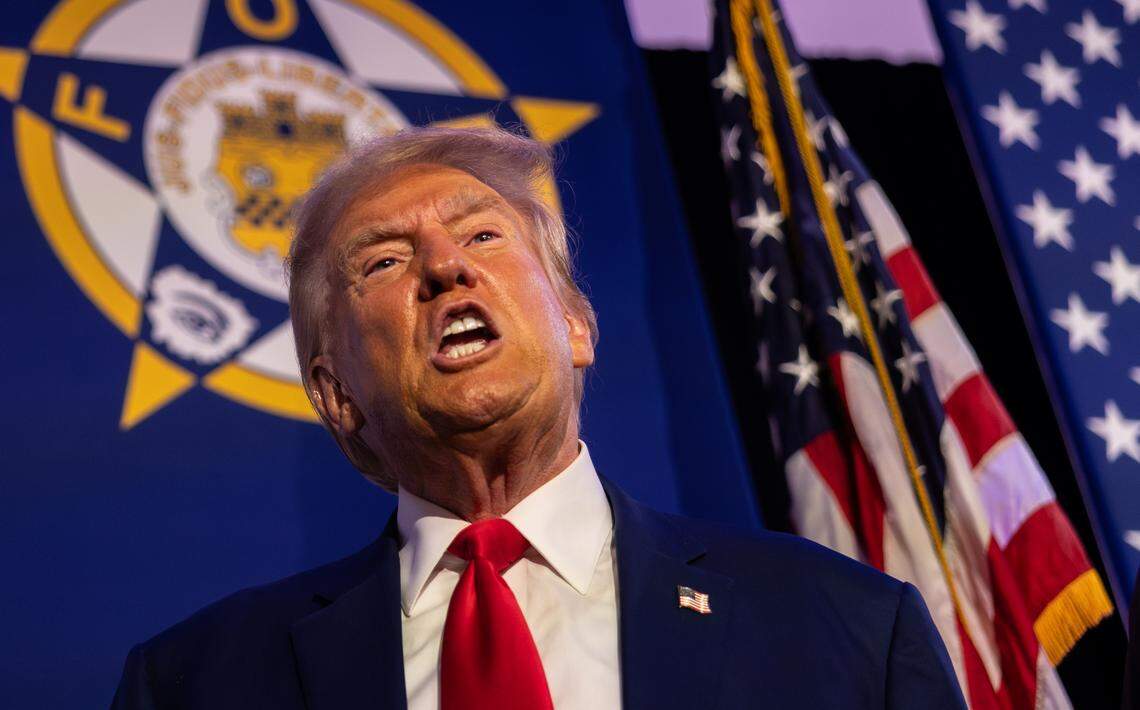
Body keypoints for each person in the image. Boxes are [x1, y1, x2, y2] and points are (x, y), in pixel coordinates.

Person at [110, 126, 966, 709]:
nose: (445, 268)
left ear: (576, 326)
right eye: (384, 260)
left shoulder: (846, 625)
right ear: (335, 396)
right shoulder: (197, 682)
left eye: (483, 237)